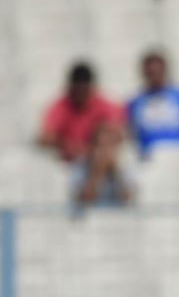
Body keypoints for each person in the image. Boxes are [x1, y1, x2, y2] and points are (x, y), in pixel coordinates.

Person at [38, 61, 133, 204]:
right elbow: (44, 137)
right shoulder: (61, 105)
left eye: (85, 90)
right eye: (78, 90)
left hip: (98, 158)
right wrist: (67, 146)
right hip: (74, 163)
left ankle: (95, 180)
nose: (82, 95)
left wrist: (96, 151)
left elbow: (119, 131)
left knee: (108, 150)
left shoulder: (103, 104)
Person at [125, 50, 179, 159]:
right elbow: (130, 133)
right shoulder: (134, 103)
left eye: (157, 72)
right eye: (150, 73)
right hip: (150, 157)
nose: (154, 76)